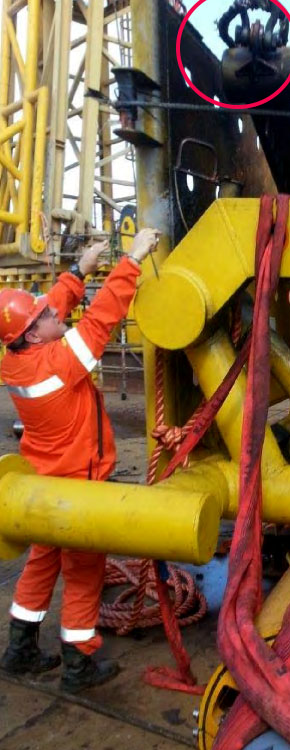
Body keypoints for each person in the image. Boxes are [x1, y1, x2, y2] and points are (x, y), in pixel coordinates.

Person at [0, 228, 160, 692]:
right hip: (77, 486)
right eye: (46, 314)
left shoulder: (17, 357)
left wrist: (79, 270)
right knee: (85, 570)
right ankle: (78, 664)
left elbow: (49, 310)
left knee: (41, 562)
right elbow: (101, 320)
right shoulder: (59, 362)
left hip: (43, 483)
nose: (54, 310)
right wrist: (131, 260)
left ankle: (20, 648)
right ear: (33, 332)